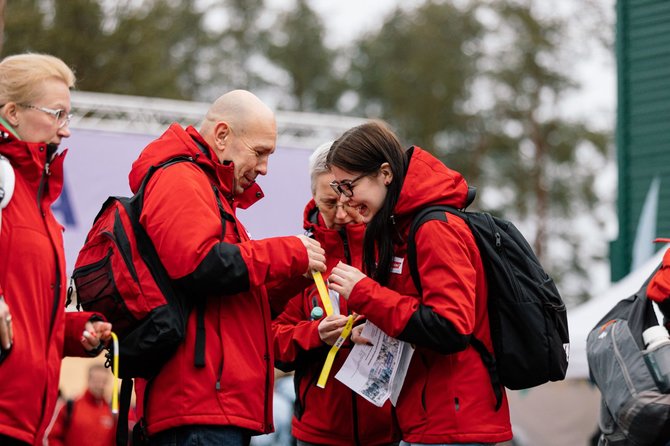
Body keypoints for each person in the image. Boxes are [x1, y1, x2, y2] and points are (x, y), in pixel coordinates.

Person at [128, 89, 326, 446]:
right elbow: (200, 265)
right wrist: (288, 252)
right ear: (222, 135)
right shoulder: (181, 179)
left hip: (211, 405)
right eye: (259, 152)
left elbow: (233, 298)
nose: (265, 167)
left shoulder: (207, 190)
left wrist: (292, 276)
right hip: (198, 405)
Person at [325, 120, 513, 445]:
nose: (344, 200)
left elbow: (450, 327)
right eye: (338, 190)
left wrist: (365, 292)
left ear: (385, 173)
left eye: (348, 186)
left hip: (452, 422)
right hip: (430, 418)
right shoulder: (404, 228)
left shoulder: (434, 228)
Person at [0, 53, 112, 446]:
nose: (65, 130)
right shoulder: (4, 183)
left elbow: (26, 320)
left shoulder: (39, 205)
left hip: (29, 420)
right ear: (12, 112)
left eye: (69, 116)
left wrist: (76, 330)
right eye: (56, 114)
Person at [272, 141, 400, 446]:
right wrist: (316, 335)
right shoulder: (299, 257)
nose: (341, 213)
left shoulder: (392, 249)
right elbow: (271, 340)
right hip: (318, 432)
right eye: (329, 202)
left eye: (348, 199)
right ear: (313, 197)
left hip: (391, 431)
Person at [47, 364, 115, 446]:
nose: (100, 385)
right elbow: (53, 437)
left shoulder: (112, 411)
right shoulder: (71, 406)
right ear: (89, 380)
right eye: (97, 381)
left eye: (104, 382)